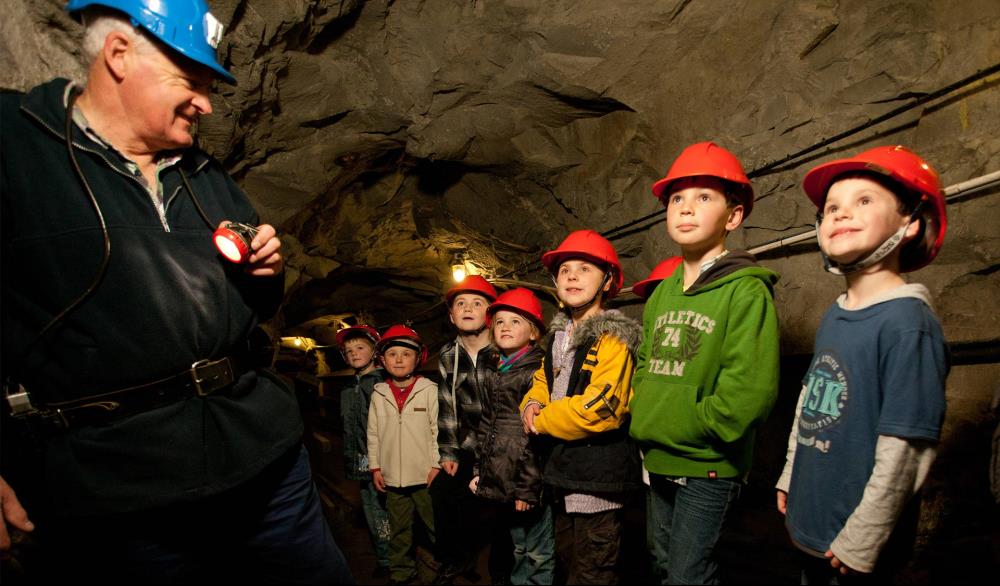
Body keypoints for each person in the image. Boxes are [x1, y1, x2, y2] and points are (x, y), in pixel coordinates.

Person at [0, 1, 353, 584]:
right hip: (121, 490)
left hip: (262, 461)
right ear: (119, 55)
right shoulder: (19, 149)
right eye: (191, 81)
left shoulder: (206, 176)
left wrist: (268, 274)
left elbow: (256, 309)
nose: (207, 104)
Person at [775, 145, 949, 583]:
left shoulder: (908, 323)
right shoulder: (835, 312)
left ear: (909, 223)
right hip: (810, 522)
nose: (840, 213)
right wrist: (791, 472)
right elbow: (812, 400)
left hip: (851, 546)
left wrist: (865, 537)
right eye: (831, 207)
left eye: (864, 201)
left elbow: (906, 447)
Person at [630, 141, 780, 585]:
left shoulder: (746, 291)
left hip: (707, 464)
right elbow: (645, 362)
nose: (686, 208)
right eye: (677, 198)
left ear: (732, 216)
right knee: (660, 563)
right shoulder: (663, 292)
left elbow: (749, 393)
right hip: (657, 458)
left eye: (704, 197)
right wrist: (647, 411)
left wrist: (683, 420)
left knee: (688, 575)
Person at [520, 230, 642, 585]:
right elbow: (543, 380)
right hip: (563, 472)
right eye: (565, 269)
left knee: (592, 572)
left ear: (607, 282)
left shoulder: (614, 337)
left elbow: (602, 407)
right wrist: (531, 402)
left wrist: (542, 420)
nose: (572, 275)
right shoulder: (559, 336)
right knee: (567, 558)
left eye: (585, 269)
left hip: (598, 477)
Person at [470, 288, 555, 585]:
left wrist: (527, 488)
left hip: (524, 481)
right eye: (500, 322)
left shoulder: (536, 372)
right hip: (504, 475)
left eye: (515, 321)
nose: (505, 327)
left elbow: (535, 436)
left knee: (538, 552)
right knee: (519, 546)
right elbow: (487, 425)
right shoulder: (497, 368)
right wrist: (480, 470)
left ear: (533, 333)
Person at [433, 275, 511, 584]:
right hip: (469, 443)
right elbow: (448, 404)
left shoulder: (505, 349)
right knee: (445, 493)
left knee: (504, 509)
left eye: (477, 303)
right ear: (451, 315)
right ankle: (457, 560)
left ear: (489, 314)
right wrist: (449, 451)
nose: (468, 308)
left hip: (505, 444)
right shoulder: (449, 354)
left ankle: (501, 571)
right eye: (461, 304)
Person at [368, 325, 441, 586]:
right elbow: (373, 434)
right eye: (392, 354)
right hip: (392, 478)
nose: (399, 360)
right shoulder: (379, 394)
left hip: (424, 475)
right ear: (382, 360)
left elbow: (437, 431)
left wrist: (436, 465)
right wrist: (376, 467)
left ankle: (442, 566)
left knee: (434, 526)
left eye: (406, 354)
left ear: (418, 358)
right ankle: (402, 573)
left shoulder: (429, 390)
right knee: (399, 529)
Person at [336, 324, 391, 578]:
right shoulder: (348, 387)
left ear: (374, 351)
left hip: (380, 461)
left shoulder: (381, 383)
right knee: (370, 510)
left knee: (382, 511)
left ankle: (391, 560)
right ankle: (384, 556)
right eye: (348, 351)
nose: (354, 353)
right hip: (360, 461)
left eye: (360, 348)